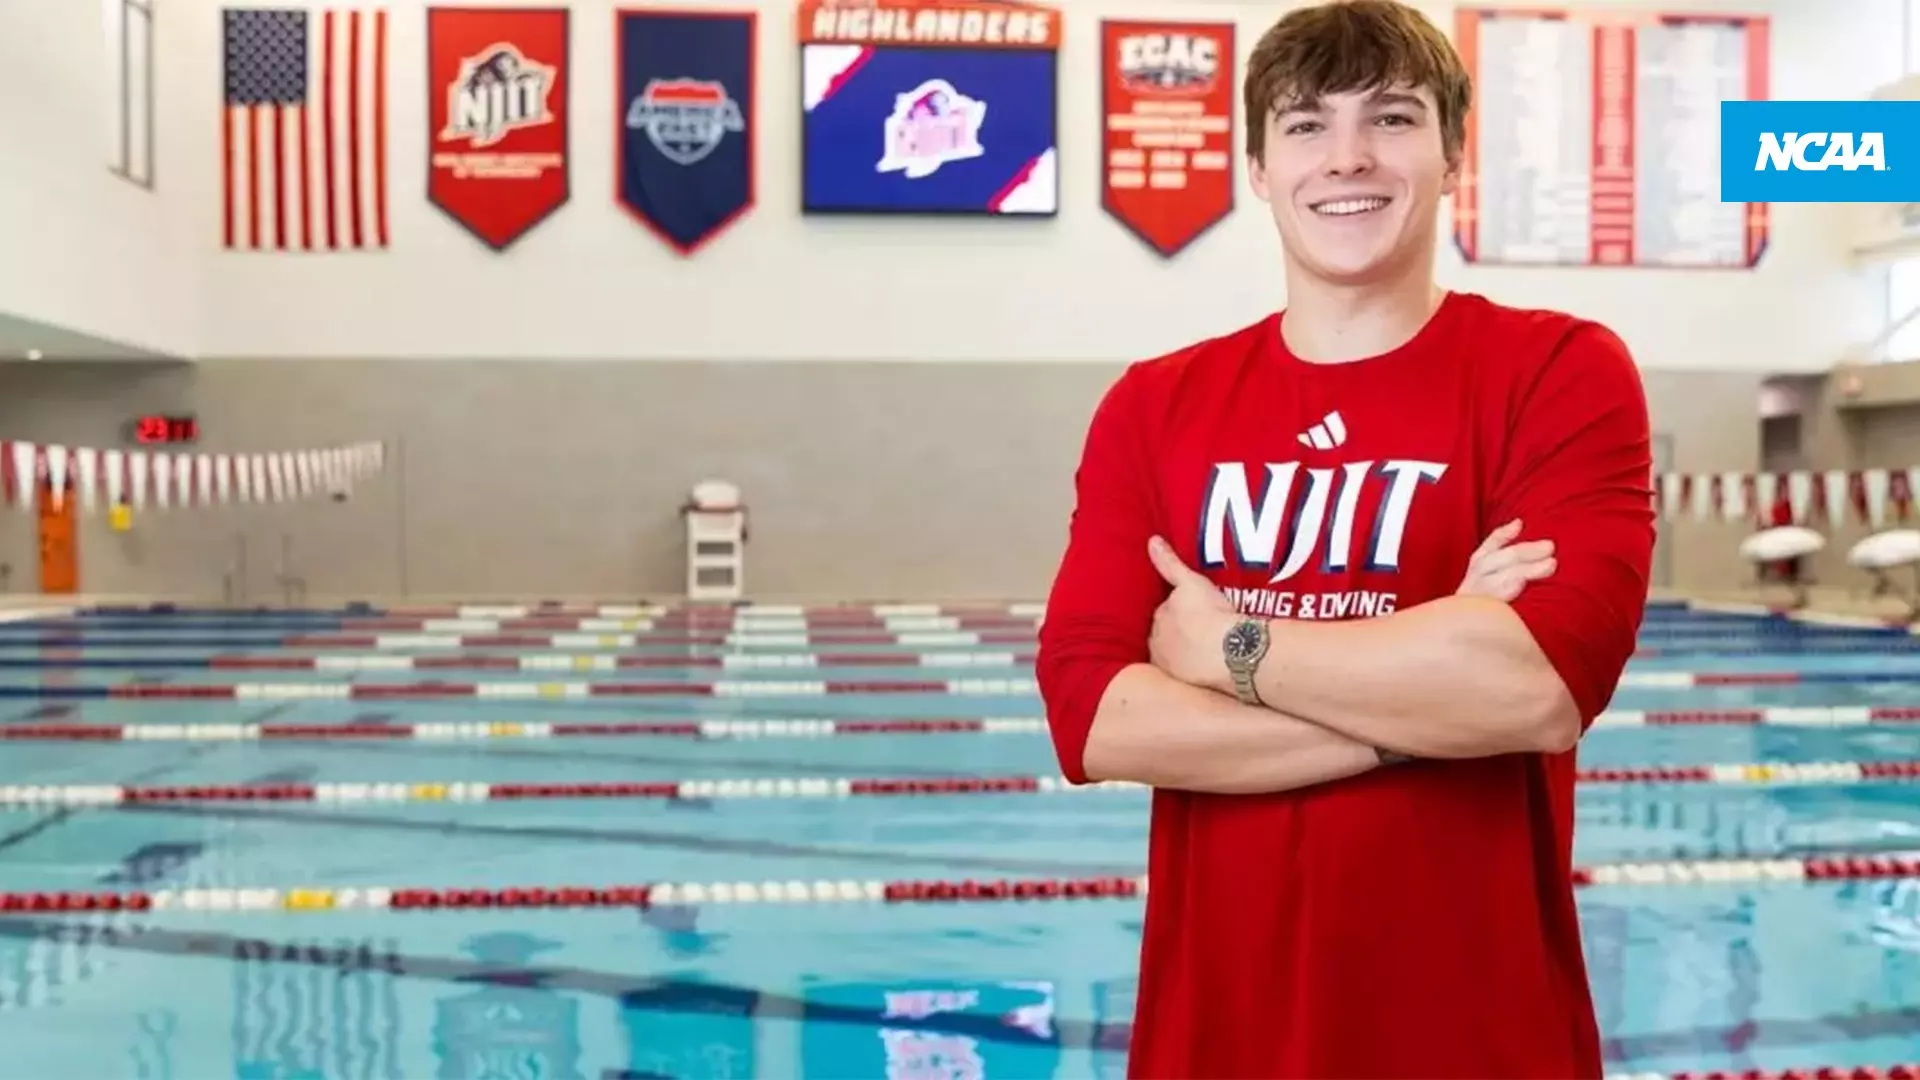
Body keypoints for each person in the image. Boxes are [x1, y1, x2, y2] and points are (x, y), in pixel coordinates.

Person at [1033, 1, 1656, 1077]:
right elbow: (1095, 719)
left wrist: (1233, 649)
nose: (1349, 158)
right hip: (1218, 1036)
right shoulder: (1154, 405)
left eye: (1395, 119)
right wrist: (1430, 681)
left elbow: (1537, 693)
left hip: (1478, 1029)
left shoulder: (1559, 374)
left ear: (1454, 154)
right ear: (1259, 169)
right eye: (1306, 125)